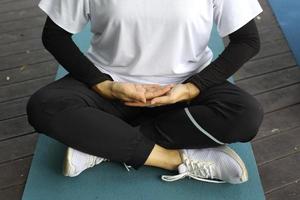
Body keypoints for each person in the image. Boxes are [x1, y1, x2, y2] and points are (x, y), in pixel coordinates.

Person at [26, 0, 264, 184]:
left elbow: (247, 40)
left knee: (246, 115)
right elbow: (55, 35)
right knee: (45, 106)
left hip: (184, 90)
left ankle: (105, 143)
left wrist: (193, 87)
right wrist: (103, 85)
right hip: (112, 87)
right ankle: (172, 159)